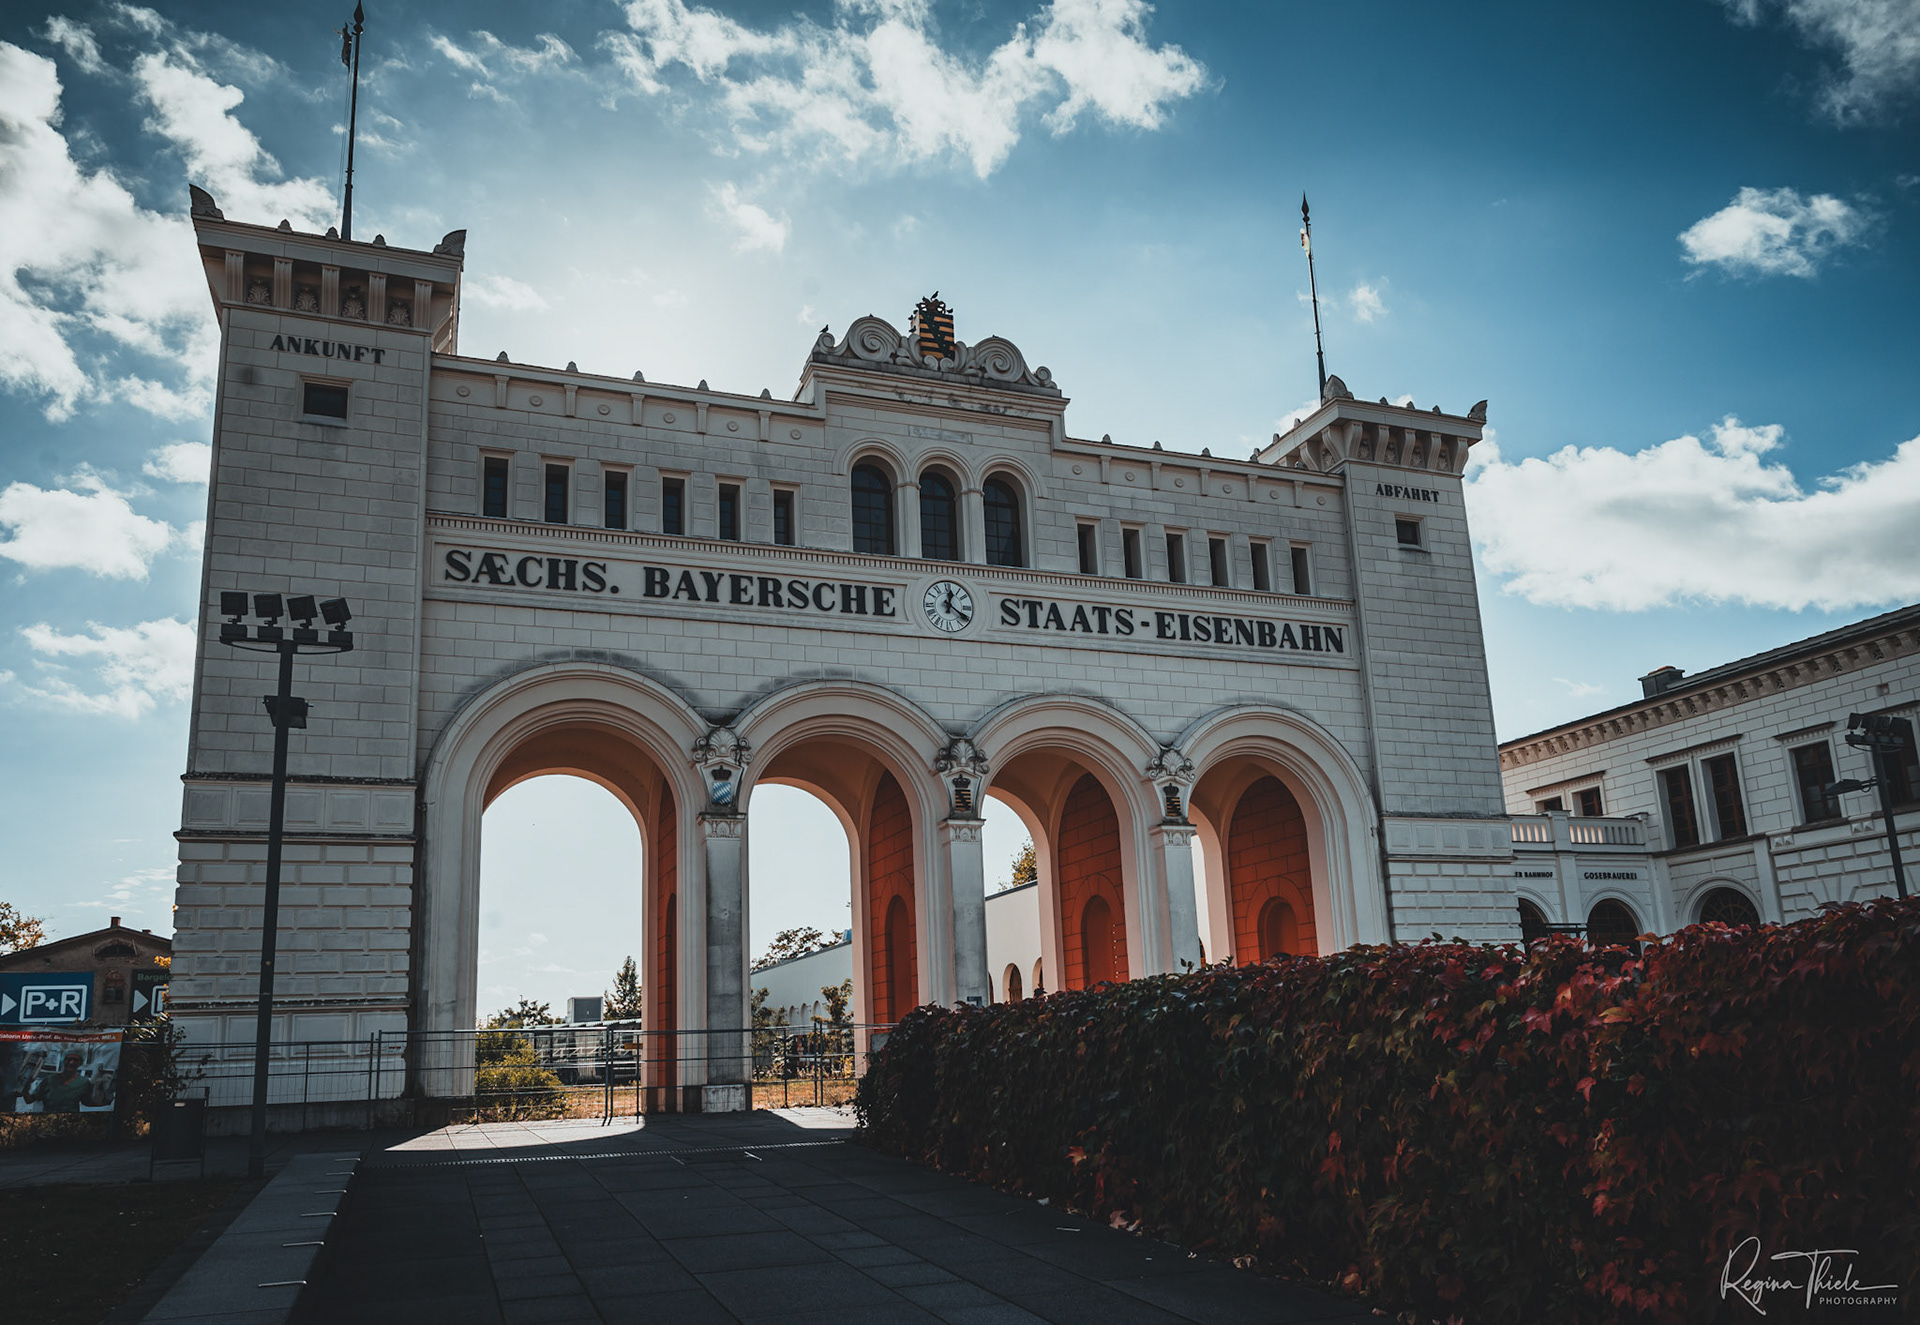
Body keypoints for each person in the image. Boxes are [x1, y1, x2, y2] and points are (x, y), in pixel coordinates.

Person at [25, 1051, 90, 1113]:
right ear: (63, 1060)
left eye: (75, 1060)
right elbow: (29, 1100)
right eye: (68, 1059)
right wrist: (26, 1085)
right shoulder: (49, 1080)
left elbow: (89, 1102)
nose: (71, 1062)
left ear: (80, 1063)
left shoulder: (84, 1083)